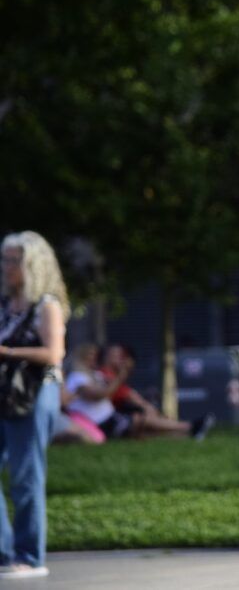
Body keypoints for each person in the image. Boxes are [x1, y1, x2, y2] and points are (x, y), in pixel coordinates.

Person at [0, 231, 70, 579]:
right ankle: (4, 553)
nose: (6, 267)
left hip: (34, 394)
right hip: (5, 395)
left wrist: (8, 352)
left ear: (33, 264)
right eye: (5, 260)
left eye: (14, 261)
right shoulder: (5, 305)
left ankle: (29, 556)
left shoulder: (46, 305)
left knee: (26, 475)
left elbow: (54, 353)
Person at [64, 346, 215, 442]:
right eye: (88, 357)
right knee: (141, 421)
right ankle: (190, 426)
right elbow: (101, 394)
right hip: (102, 421)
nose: (92, 360)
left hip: (109, 417)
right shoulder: (78, 377)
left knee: (144, 433)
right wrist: (121, 376)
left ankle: (189, 434)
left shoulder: (93, 375)